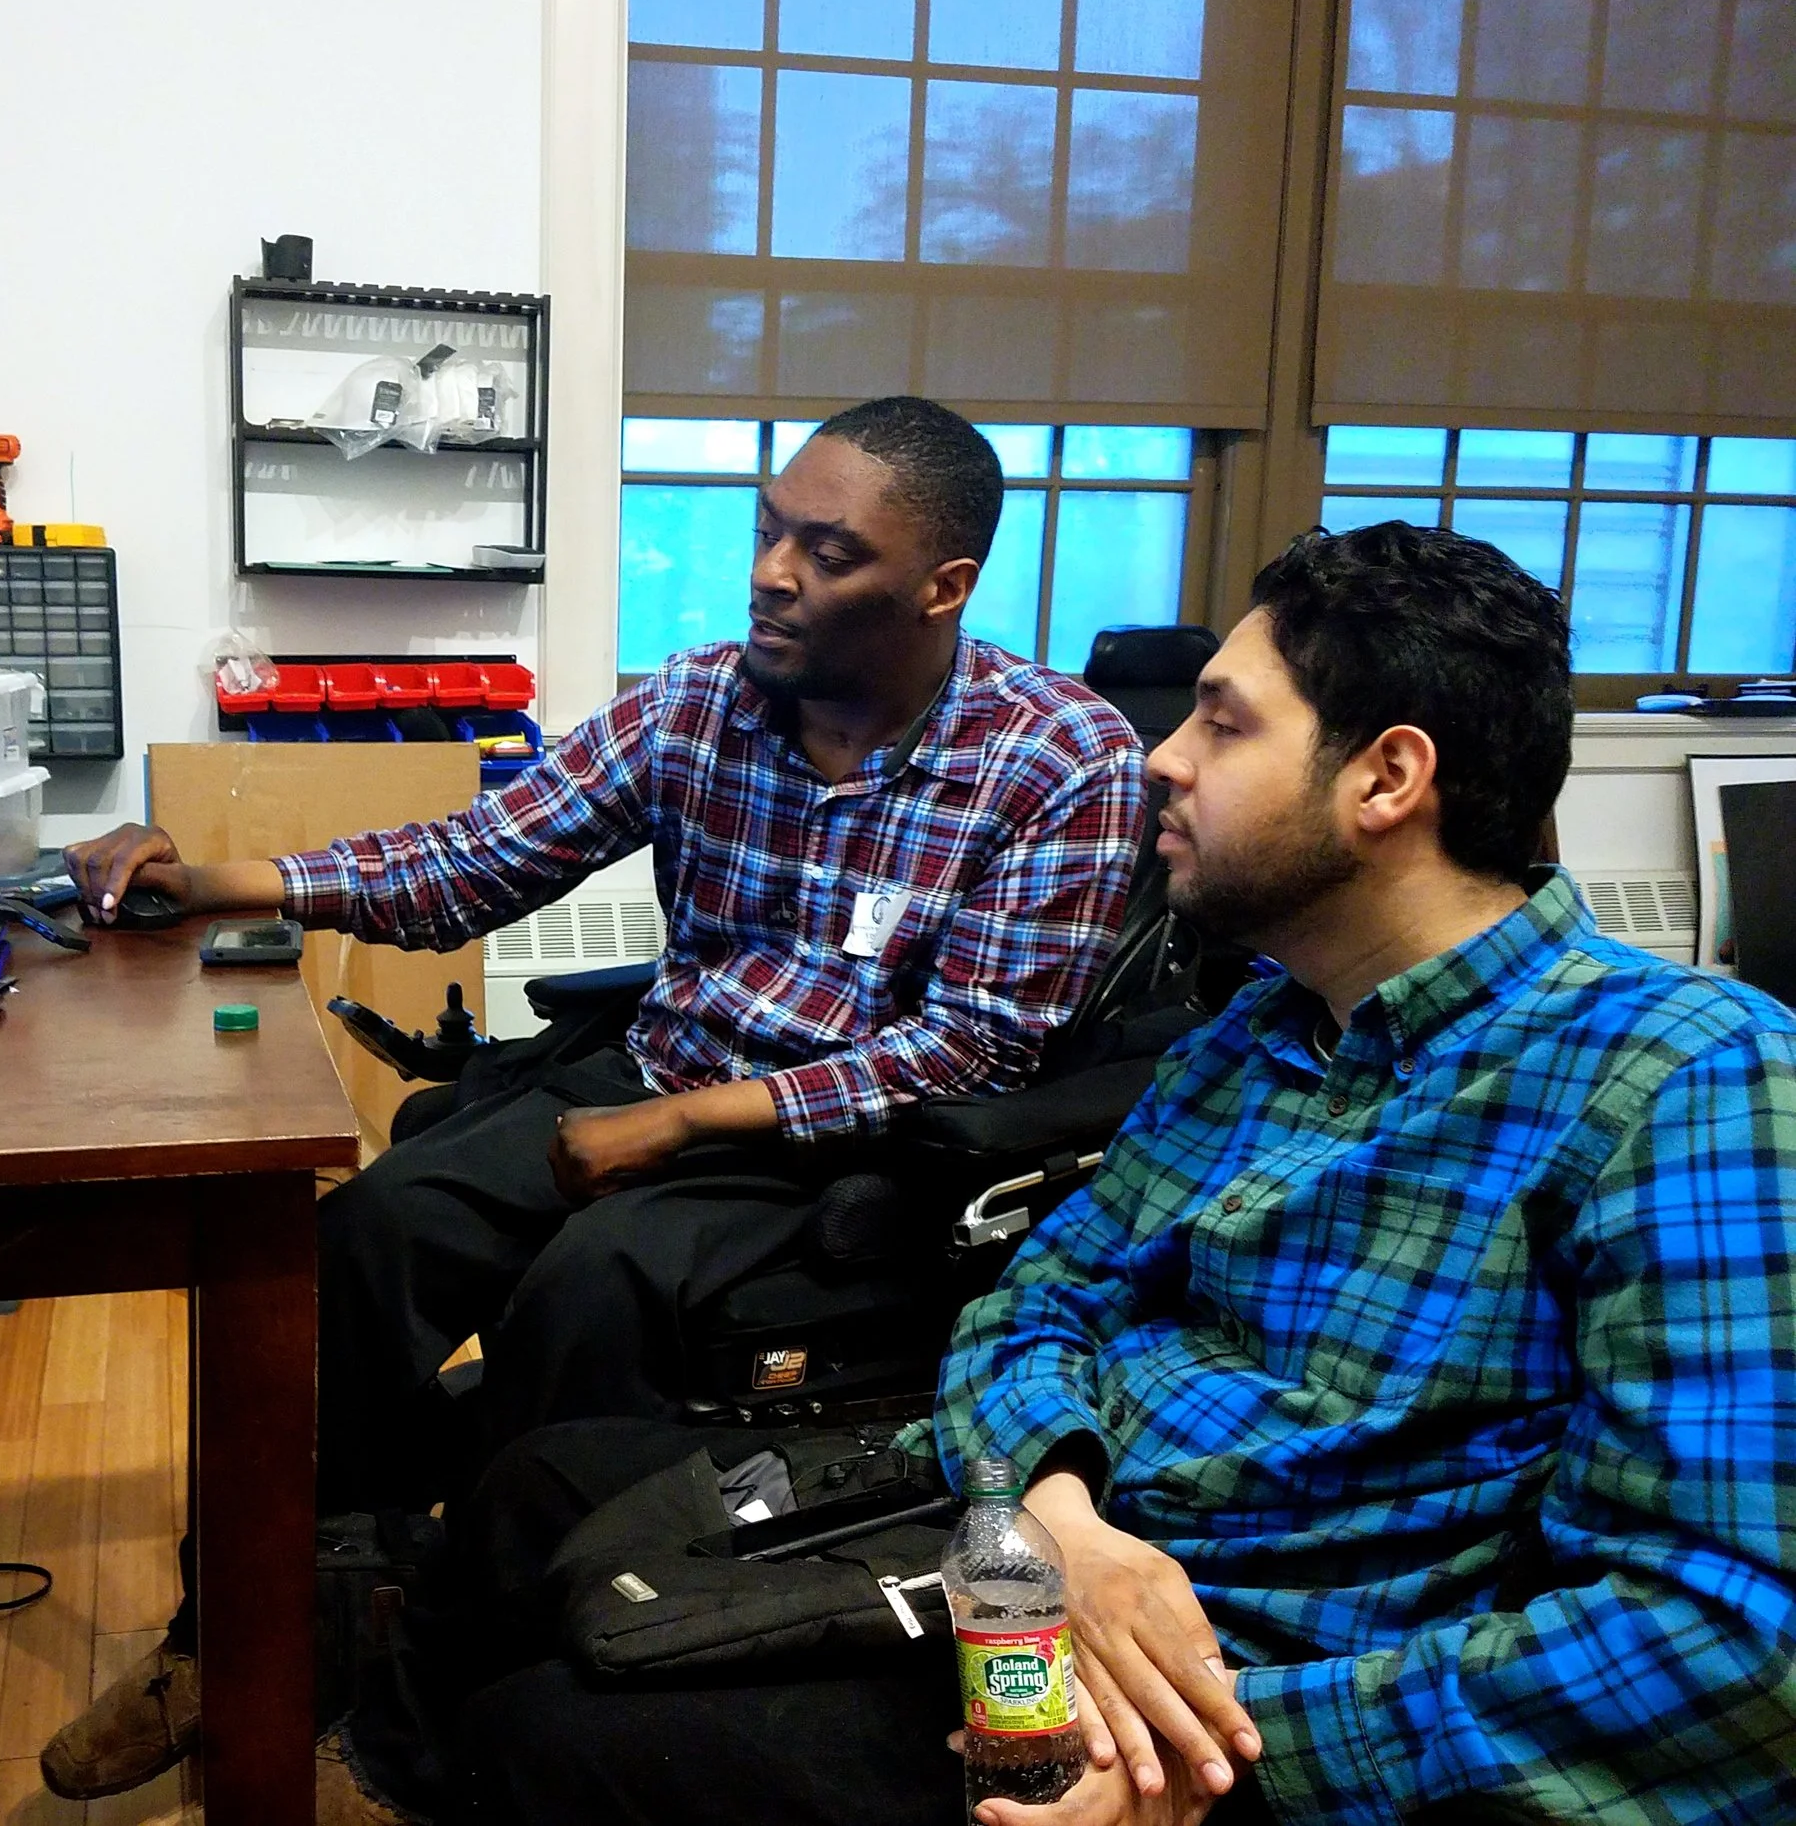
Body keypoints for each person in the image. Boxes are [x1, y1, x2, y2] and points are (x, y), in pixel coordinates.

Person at [419, 522, 1796, 1826]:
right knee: (530, 1493)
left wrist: (1229, 1743)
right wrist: (1056, 1517)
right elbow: (1038, 1299)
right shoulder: (1264, 1027)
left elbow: (1730, 1641)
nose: (1160, 760)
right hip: (1046, 1553)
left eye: (1223, 720)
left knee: (555, 1737)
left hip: (1248, 1682)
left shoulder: (1687, 1080)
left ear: (1386, 779)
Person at [41, 397, 1147, 1803]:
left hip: (842, 1145)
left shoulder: (1061, 762)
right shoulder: (703, 700)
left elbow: (973, 1049)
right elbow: (478, 857)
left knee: (585, 1292)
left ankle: (461, 1677)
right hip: (661, 1064)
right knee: (368, 1235)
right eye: (768, 529)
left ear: (943, 587)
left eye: (828, 551)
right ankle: (249, 1633)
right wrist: (223, 878)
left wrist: (685, 1126)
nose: (772, 572)